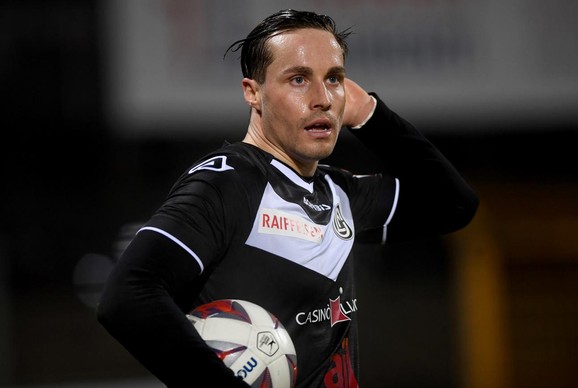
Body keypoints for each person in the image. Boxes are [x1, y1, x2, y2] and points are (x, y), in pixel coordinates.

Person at [97, 9, 479, 387]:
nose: (323, 98)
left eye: (334, 79)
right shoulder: (227, 183)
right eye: (298, 79)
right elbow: (126, 297)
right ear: (253, 93)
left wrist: (371, 116)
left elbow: (454, 205)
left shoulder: (338, 193)